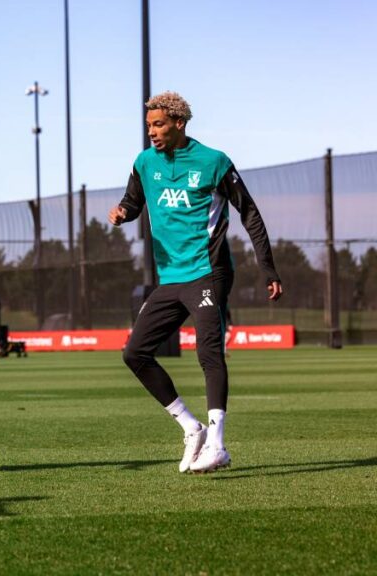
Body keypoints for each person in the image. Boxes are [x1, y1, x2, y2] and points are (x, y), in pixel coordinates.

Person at [108, 91, 282, 474]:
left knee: (208, 352)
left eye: (158, 125)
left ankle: (218, 445)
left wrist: (267, 268)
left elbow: (249, 213)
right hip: (170, 277)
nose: (152, 132)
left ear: (179, 123)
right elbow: (133, 201)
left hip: (208, 271)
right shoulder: (144, 163)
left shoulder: (213, 162)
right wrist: (122, 212)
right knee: (134, 353)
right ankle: (191, 427)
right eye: (149, 125)